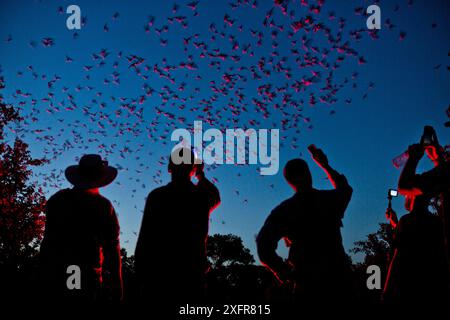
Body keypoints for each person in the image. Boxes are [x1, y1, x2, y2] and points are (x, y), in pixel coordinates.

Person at [256, 145, 353, 303]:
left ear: (289, 181)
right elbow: (345, 189)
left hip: (307, 285)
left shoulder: (285, 210)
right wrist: (324, 165)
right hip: (339, 282)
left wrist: (284, 271)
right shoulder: (328, 201)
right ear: (309, 174)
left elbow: (263, 245)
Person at [135, 147, 220, 303]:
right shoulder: (201, 197)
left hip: (159, 274)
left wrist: (139, 275)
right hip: (192, 274)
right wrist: (200, 174)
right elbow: (216, 196)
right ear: (193, 168)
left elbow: (144, 237)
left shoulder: (156, 196)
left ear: (169, 168)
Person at [40, 154, 123, 304]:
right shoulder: (103, 206)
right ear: (100, 178)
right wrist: (117, 284)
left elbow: (48, 241)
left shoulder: (57, 200)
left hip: (53, 274)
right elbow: (112, 247)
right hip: (86, 276)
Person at [383, 194, 448, 303]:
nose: (405, 197)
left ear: (413, 196)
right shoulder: (436, 222)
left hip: (408, 288)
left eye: (406, 194)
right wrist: (396, 224)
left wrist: (386, 291)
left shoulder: (407, 221)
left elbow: (397, 258)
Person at [398, 135, 450, 264]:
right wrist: (438, 160)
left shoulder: (410, 222)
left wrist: (414, 157)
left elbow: (405, 185)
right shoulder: (435, 223)